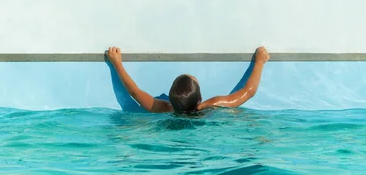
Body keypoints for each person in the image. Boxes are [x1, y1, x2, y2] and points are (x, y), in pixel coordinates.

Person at [106, 46, 270, 114]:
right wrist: (260, 62)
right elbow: (248, 92)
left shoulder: (163, 108)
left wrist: (117, 64)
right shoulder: (212, 105)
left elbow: (135, 92)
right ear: (199, 98)